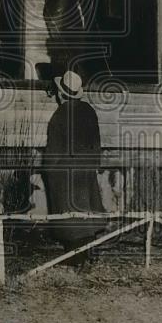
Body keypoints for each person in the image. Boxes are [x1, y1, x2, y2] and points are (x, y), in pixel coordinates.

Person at [42, 70, 104, 264]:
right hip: (85, 170)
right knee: (87, 212)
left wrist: (49, 171)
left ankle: (75, 257)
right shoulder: (89, 111)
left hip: (65, 174)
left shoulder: (59, 116)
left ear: (61, 94)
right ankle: (90, 253)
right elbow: (96, 143)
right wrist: (93, 165)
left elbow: (54, 151)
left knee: (70, 216)